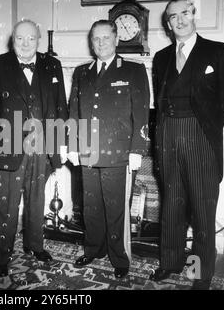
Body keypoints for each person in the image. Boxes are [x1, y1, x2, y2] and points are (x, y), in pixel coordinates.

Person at [150, 0, 224, 289]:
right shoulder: (161, 57)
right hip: (168, 135)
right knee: (171, 206)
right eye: (173, 17)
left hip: (200, 136)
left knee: (201, 209)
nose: (180, 21)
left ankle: (199, 273)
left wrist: (206, 124)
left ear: (194, 14)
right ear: (168, 23)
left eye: (184, 13)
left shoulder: (219, 51)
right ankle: (170, 263)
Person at [0, 20, 68, 277]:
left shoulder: (53, 64)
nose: (26, 44)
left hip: (42, 146)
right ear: (12, 40)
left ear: (38, 39)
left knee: (36, 201)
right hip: (6, 145)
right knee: (6, 204)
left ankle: (34, 246)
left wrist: (60, 142)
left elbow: (60, 105)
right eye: (20, 39)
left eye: (31, 38)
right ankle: (2, 256)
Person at [68, 20, 150, 278]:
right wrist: (71, 145)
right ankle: (94, 249)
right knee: (90, 205)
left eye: (106, 38)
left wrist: (137, 149)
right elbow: (73, 111)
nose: (101, 43)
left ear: (116, 40)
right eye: (96, 39)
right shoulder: (82, 72)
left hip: (119, 153)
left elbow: (141, 113)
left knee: (115, 208)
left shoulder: (133, 70)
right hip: (87, 150)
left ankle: (119, 258)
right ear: (91, 42)